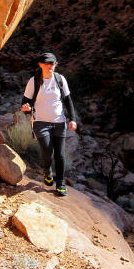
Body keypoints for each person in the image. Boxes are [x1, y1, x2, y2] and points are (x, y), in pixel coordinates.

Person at [21, 52, 77, 196]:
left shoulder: (60, 79)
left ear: (55, 64)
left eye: (52, 63)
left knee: (60, 154)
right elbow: (25, 102)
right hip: (40, 122)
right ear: (40, 64)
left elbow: (68, 100)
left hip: (59, 121)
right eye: (46, 63)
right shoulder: (33, 81)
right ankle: (47, 171)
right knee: (47, 151)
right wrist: (26, 109)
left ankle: (61, 183)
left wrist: (72, 119)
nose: (49, 65)